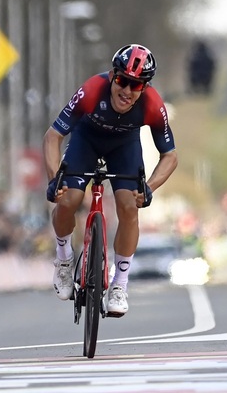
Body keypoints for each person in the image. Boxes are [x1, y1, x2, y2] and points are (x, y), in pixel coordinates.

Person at [43, 44, 177, 317]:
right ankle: (65, 258)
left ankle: (119, 285)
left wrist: (149, 188)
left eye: (136, 86)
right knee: (69, 198)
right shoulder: (92, 90)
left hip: (124, 147)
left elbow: (170, 156)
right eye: (122, 81)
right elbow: (52, 137)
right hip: (86, 141)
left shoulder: (153, 104)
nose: (127, 91)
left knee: (129, 206)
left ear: (145, 88)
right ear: (112, 74)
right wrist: (54, 179)